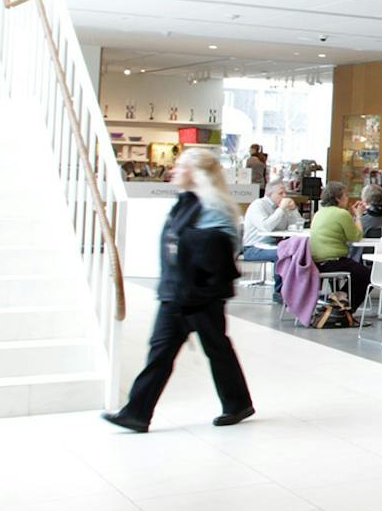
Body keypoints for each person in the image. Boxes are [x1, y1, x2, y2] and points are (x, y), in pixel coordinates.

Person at [102, 148, 254, 431]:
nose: (173, 170)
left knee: (212, 349)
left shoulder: (213, 209)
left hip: (198, 297)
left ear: (196, 173)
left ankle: (236, 403)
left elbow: (213, 254)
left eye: (181, 165)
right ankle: (137, 412)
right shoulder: (188, 202)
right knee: (170, 352)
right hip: (178, 294)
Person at [309, 180, 369, 304]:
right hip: (333, 260)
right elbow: (356, 236)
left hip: (316, 261)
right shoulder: (342, 214)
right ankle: (344, 305)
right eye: (345, 195)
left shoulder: (319, 213)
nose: (347, 198)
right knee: (367, 274)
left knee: (358, 272)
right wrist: (358, 216)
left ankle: (339, 297)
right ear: (338, 198)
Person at [240, 191, 300, 299]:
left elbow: (297, 224)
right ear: (270, 193)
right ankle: (279, 292)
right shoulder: (258, 206)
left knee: (297, 251)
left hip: (275, 244)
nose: (284, 196)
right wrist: (281, 209)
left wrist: (293, 210)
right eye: (280, 193)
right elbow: (266, 227)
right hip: (253, 247)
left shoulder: (283, 207)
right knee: (281, 255)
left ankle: (295, 291)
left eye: (285, 193)